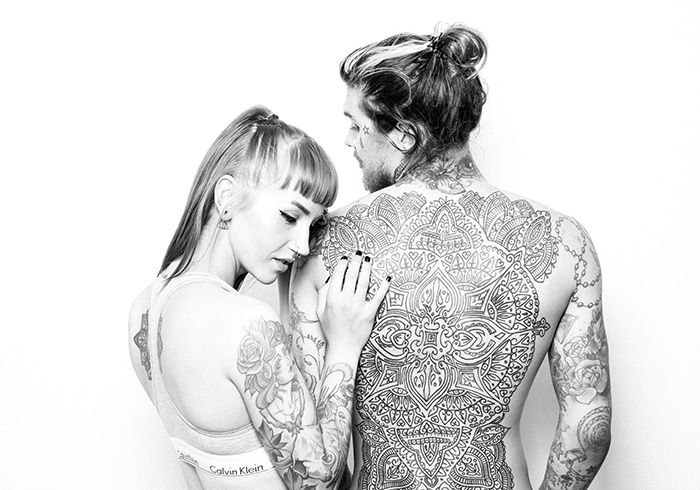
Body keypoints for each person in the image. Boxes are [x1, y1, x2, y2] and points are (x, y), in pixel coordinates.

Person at [289, 24, 611, 490]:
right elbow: (588, 426)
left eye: (357, 125)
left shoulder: (323, 243)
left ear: (404, 135)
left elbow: (314, 442)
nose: (349, 141)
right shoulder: (564, 242)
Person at [128, 106, 391, 490]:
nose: (303, 246)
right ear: (227, 196)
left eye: (313, 225)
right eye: (289, 217)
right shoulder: (246, 324)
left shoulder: (145, 310)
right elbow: (317, 483)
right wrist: (345, 347)